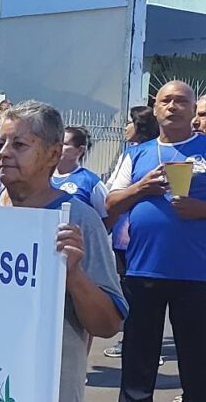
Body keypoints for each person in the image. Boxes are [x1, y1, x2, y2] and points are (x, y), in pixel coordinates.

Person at [0, 100, 125, 402]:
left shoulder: (80, 221)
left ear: (53, 154)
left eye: (19, 145)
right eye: (1, 144)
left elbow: (108, 325)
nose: (3, 153)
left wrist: (75, 276)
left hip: (48, 389)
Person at [107, 80, 206, 402]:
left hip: (197, 273)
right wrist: (141, 188)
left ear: (193, 110)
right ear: (155, 108)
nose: (172, 106)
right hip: (143, 269)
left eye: (181, 101)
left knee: (198, 364)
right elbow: (110, 203)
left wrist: (202, 209)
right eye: (166, 101)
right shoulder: (137, 153)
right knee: (138, 362)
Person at [102, 105, 159, 359]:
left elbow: (114, 191)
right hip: (125, 232)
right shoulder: (134, 152)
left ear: (140, 125)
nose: (125, 127)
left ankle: (137, 341)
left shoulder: (139, 153)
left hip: (130, 233)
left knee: (134, 292)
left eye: (129, 122)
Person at [51, 126, 109, 220]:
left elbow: (107, 216)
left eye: (64, 144)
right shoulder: (43, 176)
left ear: (80, 150)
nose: (57, 148)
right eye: (56, 143)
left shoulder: (91, 182)